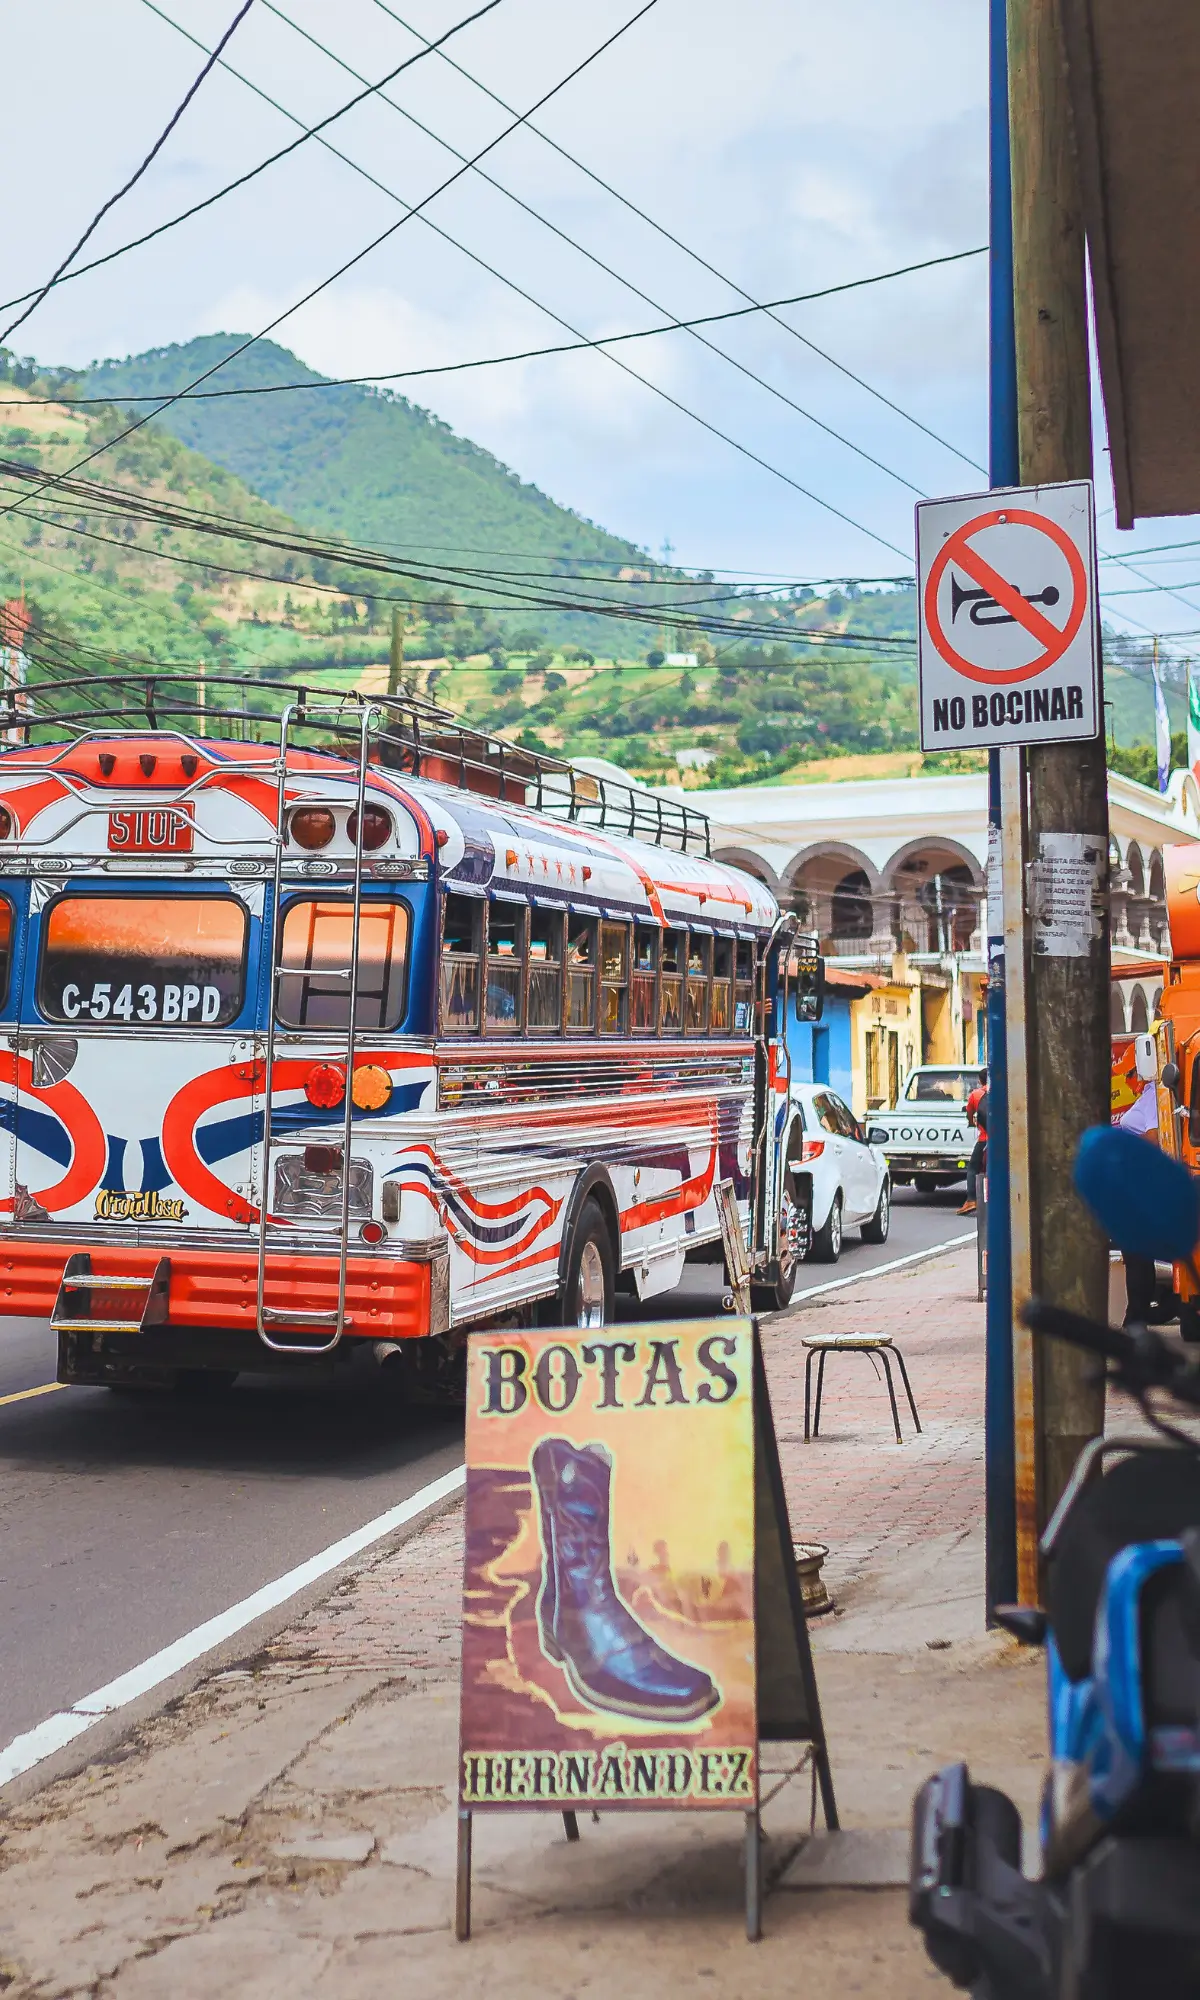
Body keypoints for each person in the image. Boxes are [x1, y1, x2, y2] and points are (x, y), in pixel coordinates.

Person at [959, 1068, 988, 1216]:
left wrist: (971, 1122)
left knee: (973, 1168)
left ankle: (971, 1199)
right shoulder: (1003, 1092)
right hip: (1001, 1140)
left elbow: (969, 1114)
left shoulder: (976, 1095)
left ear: (980, 1080)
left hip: (984, 1139)